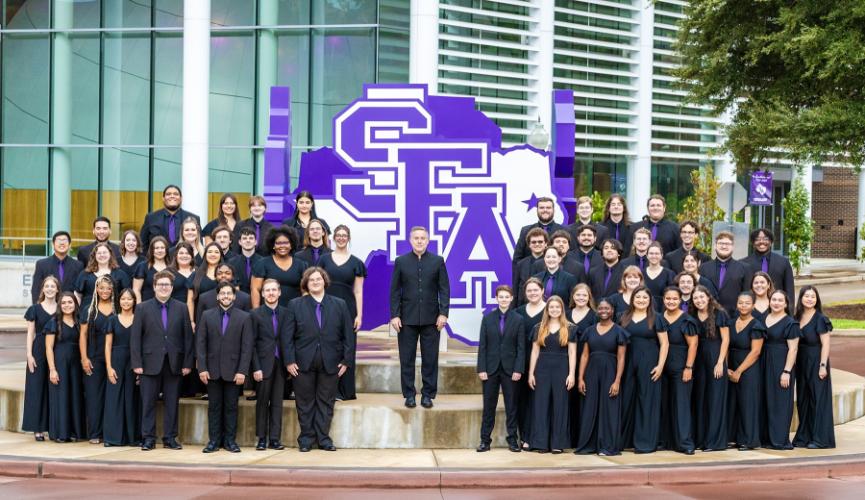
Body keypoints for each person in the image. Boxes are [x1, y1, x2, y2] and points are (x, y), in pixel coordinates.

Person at [283, 268, 355, 452]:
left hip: (331, 362)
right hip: (301, 363)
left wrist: (346, 361)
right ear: (306, 284)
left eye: (318, 279)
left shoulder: (339, 304)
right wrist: (289, 361)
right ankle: (306, 439)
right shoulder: (295, 304)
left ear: (325, 281)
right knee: (304, 403)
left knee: (326, 402)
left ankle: (323, 439)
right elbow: (287, 337)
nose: (315, 282)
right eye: (311, 280)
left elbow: (348, 335)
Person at [131, 270, 194, 451]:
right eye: (161, 285)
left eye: (167, 285)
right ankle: (148, 438)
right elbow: (136, 338)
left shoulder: (182, 308)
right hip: (149, 364)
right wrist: (137, 364)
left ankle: (170, 438)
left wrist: (188, 363)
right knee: (148, 403)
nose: (164, 288)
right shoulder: (142, 308)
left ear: (172, 287)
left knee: (172, 403)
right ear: (154, 287)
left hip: (174, 364)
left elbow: (187, 338)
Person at [389, 226, 450, 409]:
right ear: (410, 240)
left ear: (428, 240)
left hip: (432, 320)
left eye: (423, 238)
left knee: (430, 359)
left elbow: (444, 289)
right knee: (406, 358)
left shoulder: (438, 261)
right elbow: (394, 291)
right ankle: (409, 394)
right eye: (416, 238)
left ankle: (427, 395)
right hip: (406, 319)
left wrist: (443, 313)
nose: (419, 241)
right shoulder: (401, 261)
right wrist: (394, 315)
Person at [197, 281, 253, 453]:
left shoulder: (244, 317)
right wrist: (202, 368)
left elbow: (247, 347)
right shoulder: (207, 315)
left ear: (234, 296)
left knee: (231, 407)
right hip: (212, 370)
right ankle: (214, 441)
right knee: (214, 407)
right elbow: (201, 343)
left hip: (234, 370)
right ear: (217, 296)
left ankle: (230, 441)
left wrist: (242, 370)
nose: (226, 296)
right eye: (223, 293)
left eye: (229, 293)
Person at [318, 224, 367, 400]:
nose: (340, 238)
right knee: (329, 347)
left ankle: (345, 391)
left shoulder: (356, 263)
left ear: (348, 238)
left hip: (348, 309)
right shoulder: (323, 260)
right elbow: (316, 284)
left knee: (347, 348)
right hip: (326, 308)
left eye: (344, 235)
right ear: (333, 238)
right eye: (338, 235)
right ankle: (329, 390)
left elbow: (358, 291)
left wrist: (359, 315)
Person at [476, 285, 526, 453]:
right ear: (496, 299)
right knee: (488, 406)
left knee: (511, 407)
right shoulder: (488, 318)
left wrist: (519, 369)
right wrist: (481, 368)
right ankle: (484, 440)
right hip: (490, 369)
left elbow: (521, 348)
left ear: (511, 299)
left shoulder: (518, 319)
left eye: (507, 297)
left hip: (511, 370)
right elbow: (483, 346)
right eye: (501, 297)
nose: (504, 299)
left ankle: (512, 440)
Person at [575, 298, 627, 456]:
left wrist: (617, 381)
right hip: (591, 372)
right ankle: (588, 445)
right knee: (590, 407)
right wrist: (580, 378)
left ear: (612, 311)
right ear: (597, 311)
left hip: (610, 372)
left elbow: (621, 358)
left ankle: (608, 446)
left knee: (609, 408)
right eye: (601, 308)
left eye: (607, 308)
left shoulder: (619, 331)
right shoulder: (589, 330)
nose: (603, 310)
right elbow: (584, 355)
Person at [620, 286, 668, 454]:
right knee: (626, 399)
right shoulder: (624, 317)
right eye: (638, 297)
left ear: (650, 301)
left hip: (649, 362)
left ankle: (645, 442)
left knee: (646, 400)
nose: (641, 300)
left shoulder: (656, 318)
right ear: (633, 299)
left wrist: (660, 365)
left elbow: (664, 343)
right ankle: (625, 440)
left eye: (644, 298)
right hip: (627, 362)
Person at [527, 296, 577, 453]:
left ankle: (557, 443)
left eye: (557, 307)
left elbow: (572, 352)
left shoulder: (570, 328)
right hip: (541, 369)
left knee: (560, 405)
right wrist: (531, 374)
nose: (554, 310)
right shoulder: (538, 327)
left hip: (562, 369)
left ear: (562, 309)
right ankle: (540, 442)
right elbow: (535, 351)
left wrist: (572, 374)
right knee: (541, 405)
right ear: (547, 310)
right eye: (551, 307)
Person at [792, 286, 835, 449]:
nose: (809, 299)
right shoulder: (796, 317)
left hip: (817, 362)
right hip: (802, 364)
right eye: (806, 296)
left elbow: (825, 344)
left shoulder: (820, 319)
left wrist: (823, 365)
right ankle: (804, 436)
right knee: (803, 400)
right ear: (801, 298)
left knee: (818, 399)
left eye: (813, 296)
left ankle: (820, 438)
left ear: (817, 300)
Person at [658, 287, 699, 455]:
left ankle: (685, 443)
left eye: (674, 299)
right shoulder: (659, 318)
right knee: (664, 404)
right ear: (663, 300)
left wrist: (688, 367)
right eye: (668, 298)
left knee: (681, 405)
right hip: (662, 367)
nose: (671, 301)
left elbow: (693, 345)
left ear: (680, 300)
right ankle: (666, 441)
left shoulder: (686, 320)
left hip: (681, 366)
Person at [250, 279, 289, 451]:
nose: (271, 293)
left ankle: (274, 438)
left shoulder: (287, 313)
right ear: (263, 293)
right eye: (267, 290)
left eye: (274, 290)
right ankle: (261, 438)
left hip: (281, 365)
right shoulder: (255, 314)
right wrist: (256, 367)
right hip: (263, 365)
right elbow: (250, 344)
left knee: (277, 403)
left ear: (279, 292)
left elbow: (289, 340)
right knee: (262, 402)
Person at [690, 285, 730, 451]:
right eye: (695, 298)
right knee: (700, 400)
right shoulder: (692, 316)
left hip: (715, 359)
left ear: (708, 297)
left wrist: (720, 362)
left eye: (701, 297)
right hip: (699, 361)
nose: (699, 300)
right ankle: (701, 439)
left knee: (715, 401)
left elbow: (726, 340)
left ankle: (715, 442)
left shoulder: (719, 314)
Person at [762, 289, 800, 450]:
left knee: (780, 401)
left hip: (780, 364)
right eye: (774, 300)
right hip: (763, 362)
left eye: (780, 300)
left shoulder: (790, 323)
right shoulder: (764, 318)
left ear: (786, 304)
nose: (776, 303)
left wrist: (787, 372)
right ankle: (766, 438)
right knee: (765, 399)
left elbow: (793, 349)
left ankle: (779, 439)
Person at [45, 292, 86, 442]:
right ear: (59, 305)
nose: (67, 305)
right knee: (61, 397)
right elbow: (49, 348)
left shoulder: (79, 321)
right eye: (63, 303)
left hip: (76, 364)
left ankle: (74, 432)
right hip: (60, 363)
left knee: (75, 396)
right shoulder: (54, 322)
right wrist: (52, 369)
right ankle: (61, 433)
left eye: (70, 302)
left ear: (75, 304)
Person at [79, 275, 115, 444]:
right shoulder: (89, 309)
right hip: (93, 358)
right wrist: (84, 358)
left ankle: (109, 432)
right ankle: (94, 433)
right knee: (94, 397)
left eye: (108, 288)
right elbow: (83, 335)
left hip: (114, 359)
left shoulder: (118, 309)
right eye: (101, 288)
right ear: (96, 289)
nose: (105, 291)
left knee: (111, 397)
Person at [727, 292, 765, 450]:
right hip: (731, 366)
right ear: (736, 304)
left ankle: (748, 440)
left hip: (748, 367)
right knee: (733, 403)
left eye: (747, 303)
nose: (743, 306)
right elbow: (726, 345)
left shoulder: (757, 325)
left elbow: (756, 352)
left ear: (753, 305)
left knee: (747, 403)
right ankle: (733, 437)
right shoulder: (730, 323)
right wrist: (727, 368)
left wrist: (739, 371)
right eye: (741, 303)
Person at [23, 276, 59, 441]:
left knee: (54, 389)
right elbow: (31, 333)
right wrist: (29, 355)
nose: (50, 289)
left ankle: (54, 426)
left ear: (57, 289)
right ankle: (38, 428)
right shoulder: (35, 309)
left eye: (53, 286)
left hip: (56, 351)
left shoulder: (62, 307)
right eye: (47, 286)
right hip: (38, 351)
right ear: (43, 289)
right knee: (37, 389)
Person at [103, 288, 141, 447]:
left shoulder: (139, 319)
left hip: (133, 362)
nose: (126, 302)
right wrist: (109, 367)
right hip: (116, 362)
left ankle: (133, 438)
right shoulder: (112, 320)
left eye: (129, 299)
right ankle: (113, 438)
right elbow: (107, 345)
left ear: (134, 301)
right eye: (123, 299)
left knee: (132, 400)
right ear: (119, 301)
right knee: (114, 400)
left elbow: (142, 344)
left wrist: (140, 367)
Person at [513, 277, 545, 450]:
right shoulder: (518, 312)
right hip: (522, 362)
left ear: (542, 290)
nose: (533, 293)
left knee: (539, 402)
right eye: (529, 291)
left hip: (544, 362)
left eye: (535, 290)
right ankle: (524, 436)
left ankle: (539, 437)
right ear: (525, 293)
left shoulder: (551, 310)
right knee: (522, 401)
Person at [567, 283, 597, 446]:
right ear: (573, 296)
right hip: (567, 360)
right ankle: (569, 437)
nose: (581, 298)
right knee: (568, 400)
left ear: (589, 298)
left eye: (584, 295)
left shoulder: (594, 315)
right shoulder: (565, 314)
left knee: (584, 398)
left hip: (588, 360)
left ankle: (582, 438)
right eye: (578, 295)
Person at [251, 226, 309, 308]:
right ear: (273, 246)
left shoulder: (301, 265)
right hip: (269, 312)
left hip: (295, 311)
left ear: (291, 245)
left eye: (286, 243)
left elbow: (305, 292)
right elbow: (255, 290)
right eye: (278, 243)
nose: (282, 246)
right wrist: (256, 313)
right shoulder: (262, 264)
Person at [741, 228, 795, 313]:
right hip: (752, 311)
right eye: (757, 239)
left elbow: (789, 290)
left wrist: (790, 313)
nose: (761, 242)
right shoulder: (743, 263)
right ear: (753, 243)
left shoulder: (783, 262)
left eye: (765, 239)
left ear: (771, 242)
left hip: (778, 310)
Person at [700, 231, 751, 316]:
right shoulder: (703, 268)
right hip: (708, 316)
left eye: (727, 244)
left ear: (733, 247)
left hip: (734, 317)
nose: (724, 246)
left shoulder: (744, 268)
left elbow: (747, 294)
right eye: (721, 243)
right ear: (715, 246)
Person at [140, 184, 201, 250]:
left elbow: (199, 244)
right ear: (163, 198)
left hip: (185, 258)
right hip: (157, 259)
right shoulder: (151, 218)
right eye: (168, 194)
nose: (172, 196)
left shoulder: (194, 218)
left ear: (181, 198)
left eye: (176, 194)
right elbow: (143, 244)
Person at [74, 242, 131, 312]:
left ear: (110, 254)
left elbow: (127, 294)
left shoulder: (120, 274)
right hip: (88, 314)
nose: (102, 255)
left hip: (113, 314)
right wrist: (76, 313)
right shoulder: (85, 274)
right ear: (94, 255)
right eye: (99, 253)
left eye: (105, 252)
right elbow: (77, 295)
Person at [31, 231, 83, 303]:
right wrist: (36, 309)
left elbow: (80, 291)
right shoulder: (42, 264)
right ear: (53, 244)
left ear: (70, 245)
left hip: (69, 309)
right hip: (48, 308)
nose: (62, 243)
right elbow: (36, 290)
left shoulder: (78, 265)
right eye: (59, 240)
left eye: (65, 240)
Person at [512, 196, 563, 266]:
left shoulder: (563, 231)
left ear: (553, 210)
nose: (545, 210)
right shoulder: (525, 231)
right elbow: (517, 259)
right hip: (530, 275)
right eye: (541, 208)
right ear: (537, 210)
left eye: (548, 208)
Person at [187, 242, 224, 329]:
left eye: (216, 252)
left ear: (221, 255)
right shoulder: (195, 275)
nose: (213, 254)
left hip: (224, 318)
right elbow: (190, 301)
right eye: (210, 252)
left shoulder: (227, 274)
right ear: (205, 255)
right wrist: (191, 321)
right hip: (200, 318)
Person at [513, 228, 549, 306]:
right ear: (529, 244)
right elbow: (515, 289)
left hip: (545, 308)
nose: (537, 244)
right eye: (533, 242)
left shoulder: (551, 263)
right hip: (522, 307)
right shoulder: (520, 264)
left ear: (546, 244)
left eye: (540, 242)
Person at [133, 236, 171, 303]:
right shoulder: (143, 266)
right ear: (152, 250)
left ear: (166, 250)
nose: (160, 250)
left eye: (162, 248)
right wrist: (139, 308)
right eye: (156, 248)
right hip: (147, 307)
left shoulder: (172, 267)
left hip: (168, 307)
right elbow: (136, 290)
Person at [228, 227, 262, 295]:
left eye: (251, 238)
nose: (248, 240)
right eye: (244, 238)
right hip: (238, 301)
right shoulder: (231, 263)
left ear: (256, 242)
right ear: (239, 242)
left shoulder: (263, 262)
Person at [643, 242, 675, 310]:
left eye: (657, 253)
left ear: (661, 255)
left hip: (664, 310)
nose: (654, 256)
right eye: (651, 253)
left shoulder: (669, 274)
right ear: (647, 255)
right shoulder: (641, 274)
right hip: (644, 309)